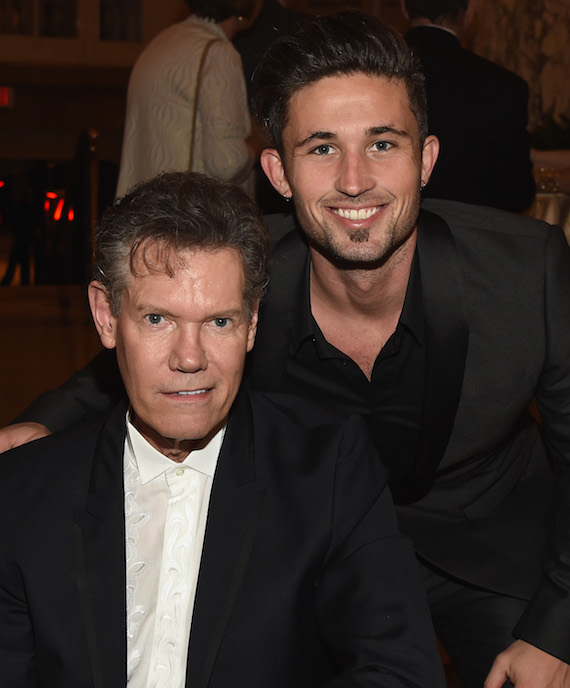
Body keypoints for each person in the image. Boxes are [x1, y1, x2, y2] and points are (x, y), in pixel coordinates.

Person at [2, 12, 570, 688]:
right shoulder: (246, 275)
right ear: (277, 170)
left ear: (426, 159)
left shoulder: (524, 270)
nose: (355, 181)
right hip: (313, 549)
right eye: (322, 148)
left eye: (383, 144)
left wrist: (556, 627)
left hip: (490, 553)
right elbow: (152, 345)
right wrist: (44, 424)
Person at [0, 171, 444, 687]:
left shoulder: (328, 472)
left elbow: (399, 671)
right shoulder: (24, 493)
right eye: (158, 320)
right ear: (106, 315)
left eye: (219, 322)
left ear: (253, 322)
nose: (190, 358)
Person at [115, 0, 262, 199]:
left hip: (145, 212)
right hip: (189, 220)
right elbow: (226, 163)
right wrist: (259, 140)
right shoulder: (217, 52)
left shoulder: (161, 41)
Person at [402, 0, 536, 212]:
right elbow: (517, 192)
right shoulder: (504, 85)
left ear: (404, 7)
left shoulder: (376, 74)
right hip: (476, 237)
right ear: (470, 11)